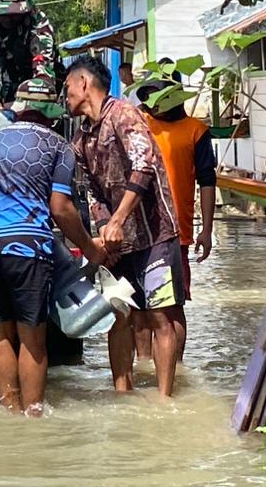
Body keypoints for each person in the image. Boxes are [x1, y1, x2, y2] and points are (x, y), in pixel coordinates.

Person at [0, 77, 107, 414]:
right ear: (50, 114)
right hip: (27, 248)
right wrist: (90, 248)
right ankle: (33, 416)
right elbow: (60, 208)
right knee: (32, 338)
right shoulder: (60, 147)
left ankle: (9, 412)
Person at [64, 54, 184, 397]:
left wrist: (117, 220)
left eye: (69, 86)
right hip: (118, 244)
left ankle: (164, 400)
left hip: (156, 234)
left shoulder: (124, 114)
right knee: (118, 315)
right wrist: (104, 233)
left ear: (84, 83)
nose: (66, 93)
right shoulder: (82, 137)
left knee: (161, 316)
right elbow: (91, 193)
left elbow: (143, 167)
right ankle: (122, 394)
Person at [134, 73, 217, 363]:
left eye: (159, 97)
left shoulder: (195, 130)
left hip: (175, 233)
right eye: (149, 98)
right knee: (138, 306)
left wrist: (206, 229)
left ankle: (175, 367)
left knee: (172, 306)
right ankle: (144, 366)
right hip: (137, 228)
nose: (153, 104)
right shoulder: (139, 124)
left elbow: (207, 181)